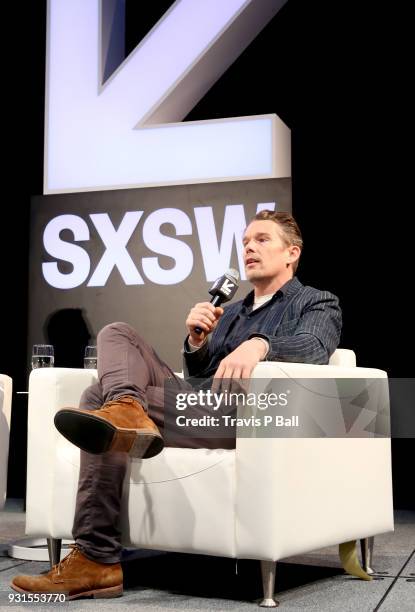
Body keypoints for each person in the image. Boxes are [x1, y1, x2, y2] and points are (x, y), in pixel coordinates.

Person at [11, 211, 342, 599]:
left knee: (96, 399)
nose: (249, 247)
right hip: (199, 406)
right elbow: (201, 375)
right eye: (246, 241)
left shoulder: (316, 301)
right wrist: (197, 343)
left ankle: (96, 557)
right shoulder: (231, 311)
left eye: (262, 239)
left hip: (249, 418)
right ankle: (125, 410)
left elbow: (316, 348)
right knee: (116, 336)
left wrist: (261, 344)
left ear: (292, 253)